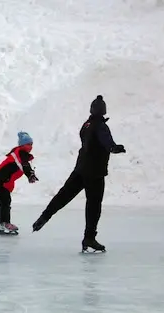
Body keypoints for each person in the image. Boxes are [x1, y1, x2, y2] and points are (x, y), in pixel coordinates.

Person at [31, 95, 126, 252]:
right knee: (93, 206)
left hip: (80, 169)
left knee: (63, 196)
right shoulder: (100, 126)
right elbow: (105, 140)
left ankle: (44, 216)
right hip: (94, 173)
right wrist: (113, 148)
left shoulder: (86, 125)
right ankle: (89, 237)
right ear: (103, 110)